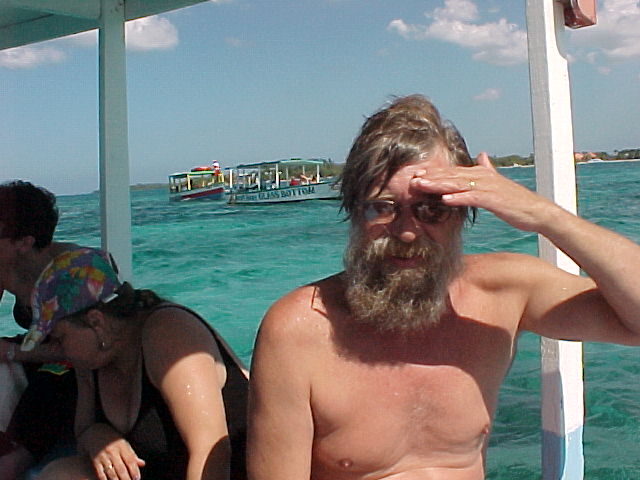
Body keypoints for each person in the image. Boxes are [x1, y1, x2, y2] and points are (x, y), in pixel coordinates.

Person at [247, 94, 640, 479]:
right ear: (353, 211)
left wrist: (543, 215)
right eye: (382, 207)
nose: (406, 231)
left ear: (464, 211)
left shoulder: (503, 293)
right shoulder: (299, 328)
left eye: (432, 209)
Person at [22, 247, 248, 480]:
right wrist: (97, 436)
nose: (57, 349)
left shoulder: (170, 335)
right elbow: (83, 430)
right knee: (61, 474)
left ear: (96, 322)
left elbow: (212, 453)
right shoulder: (91, 360)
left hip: (231, 472)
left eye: (59, 338)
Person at [0, 180, 78, 479]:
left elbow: (80, 348)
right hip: (38, 350)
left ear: (24, 242)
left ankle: (15, 461)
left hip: (79, 362)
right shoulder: (5, 264)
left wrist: (12, 353)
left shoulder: (70, 270)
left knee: (54, 379)